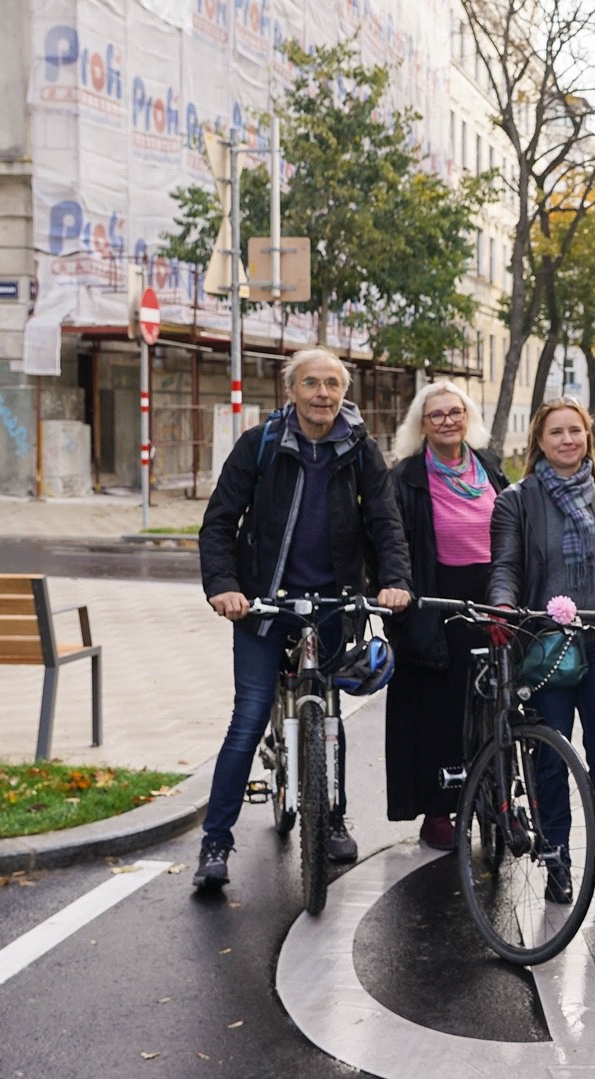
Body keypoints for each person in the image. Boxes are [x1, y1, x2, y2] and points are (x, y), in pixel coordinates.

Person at [195, 348, 412, 889]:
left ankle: (332, 816)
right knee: (247, 721)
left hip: (333, 604)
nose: (323, 394)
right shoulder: (262, 443)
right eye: (311, 383)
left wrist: (395, 582)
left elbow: (386, 525)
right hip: (265, 605)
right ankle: (215, 844)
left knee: (330, 715)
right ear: (291, 390)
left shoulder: (361, 450)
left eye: (332, 384)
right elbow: (219, 521)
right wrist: (224, 587)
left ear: (344, 391)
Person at [489, 399, 595, 902]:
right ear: (539, 441)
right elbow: (506, 566)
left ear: (587, 436)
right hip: (545, 647)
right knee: (551, 758)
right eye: (556, 433)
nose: (567, 440)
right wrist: (500, 605)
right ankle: (556, 859)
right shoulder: (516, 501)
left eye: (575, 432)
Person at [383, 380, 509, 851]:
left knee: (492, 703)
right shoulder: (407, 476)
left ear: (467, 416)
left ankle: (494, 796)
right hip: (434, 598)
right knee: (439, 709)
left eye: (454, 412)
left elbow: (512, 523)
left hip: (490, 594)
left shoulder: (489, 467)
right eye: (435, 415)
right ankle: (438, 810)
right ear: (421, 425)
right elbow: (389, 541)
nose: (447, 421)